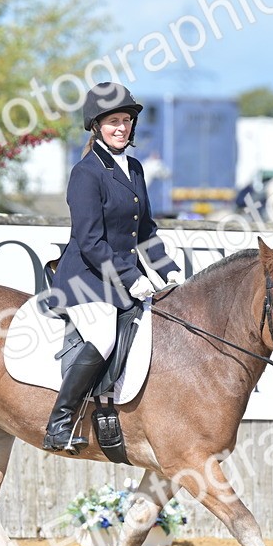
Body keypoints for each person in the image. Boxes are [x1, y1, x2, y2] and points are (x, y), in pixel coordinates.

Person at [42, 82, 184, 453]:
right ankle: (58, 423)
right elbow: (89, 240)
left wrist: (166, 268)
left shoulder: (134, 168)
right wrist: (132, 277)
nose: (121, 128)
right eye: (112, 122)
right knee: (104, 336)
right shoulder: (86, 173)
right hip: (86, 279)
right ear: (96, 126)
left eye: (126, 121)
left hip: (121, 278)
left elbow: (146, 229)